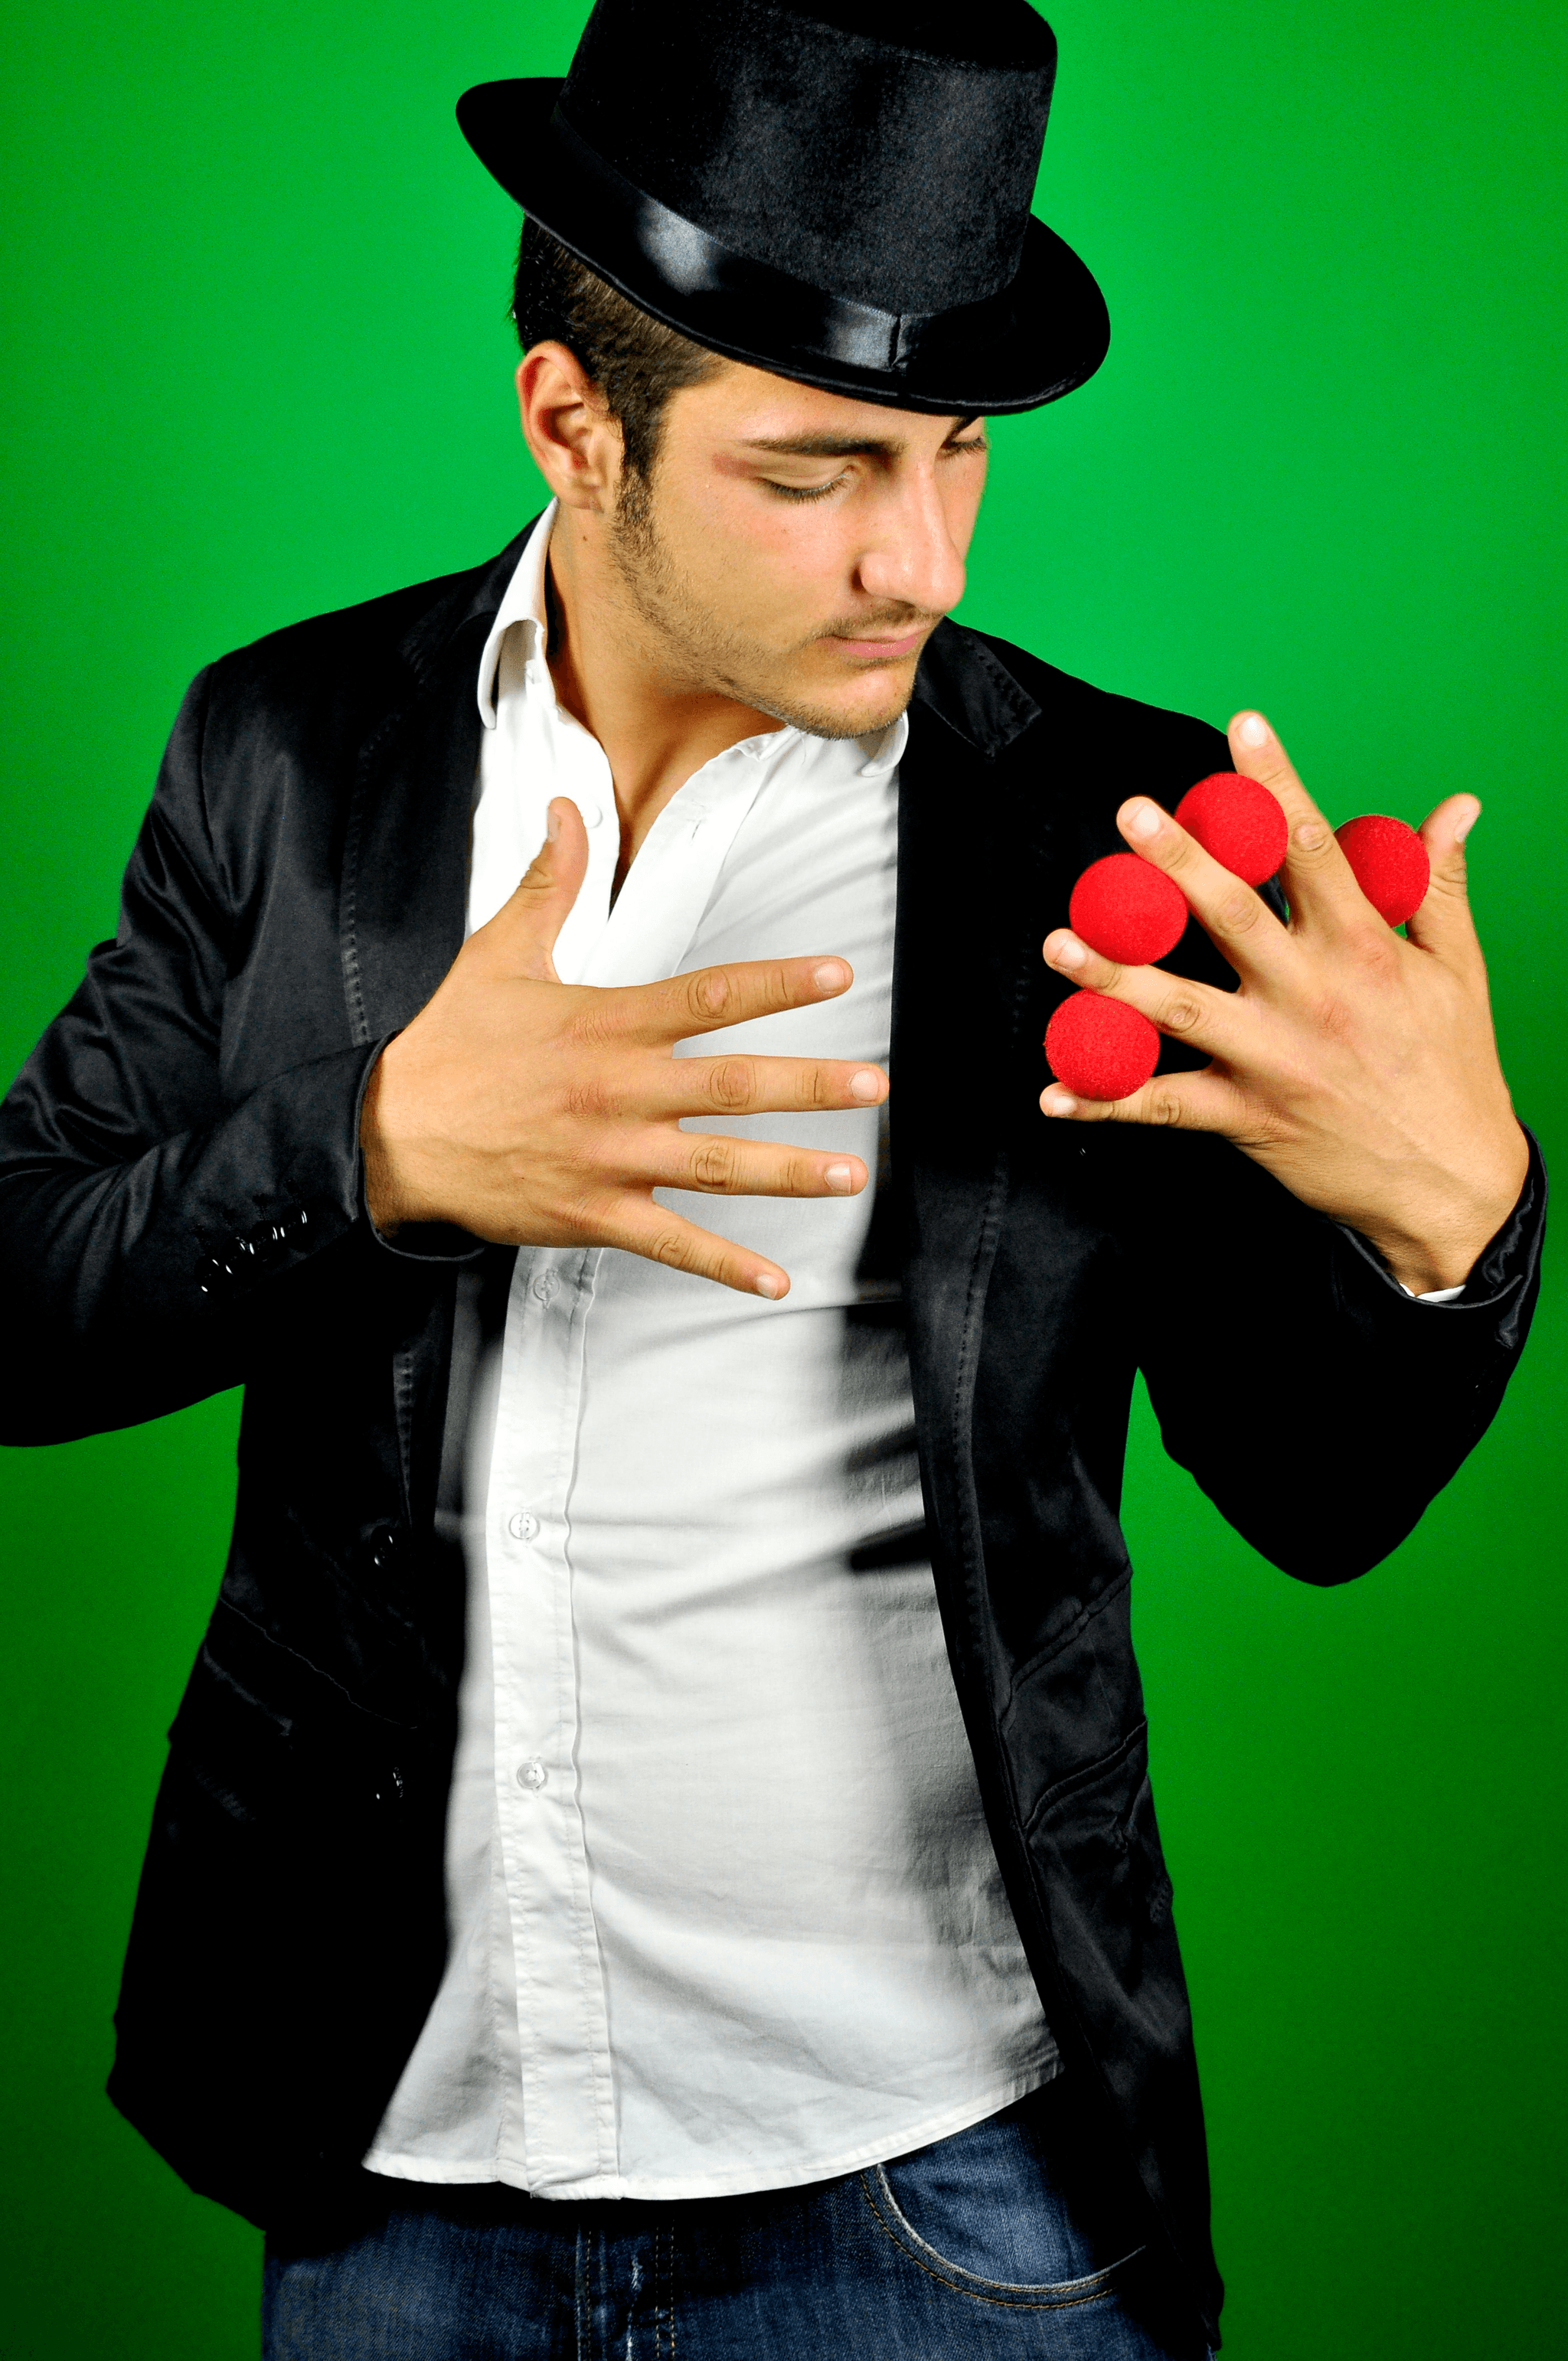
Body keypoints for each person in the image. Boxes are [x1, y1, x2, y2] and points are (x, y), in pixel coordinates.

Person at [0, 1, 1543, 2353]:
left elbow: (1318, 1492)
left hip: (951, 2207)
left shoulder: (1093, 840)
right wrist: (382, 1142)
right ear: (571, 424)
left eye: (953, 457)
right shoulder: (288, 753)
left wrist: (1445, 1229)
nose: (912, 557)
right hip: (387, 2165)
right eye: (815, 469)